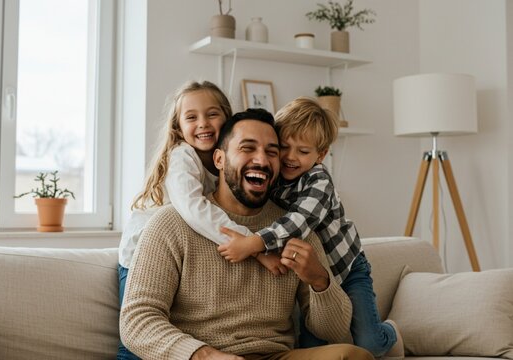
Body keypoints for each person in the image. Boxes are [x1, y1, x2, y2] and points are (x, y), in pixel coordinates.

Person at [120, 109, 374, 360]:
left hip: (275, 355)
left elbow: (334, 331)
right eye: (247, 148)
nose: (262, 160)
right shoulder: (170, 224)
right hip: (201, 356)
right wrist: (204, 355)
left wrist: (320, 280)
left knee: (353, 356)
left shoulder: (295, 228)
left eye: (272, 152)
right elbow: (137, 320)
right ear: (219, 159)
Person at [217, 98, 404, 359]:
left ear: (321, 154)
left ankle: (390, 333)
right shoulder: (274, 177)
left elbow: (298, 222)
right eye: (284, 147)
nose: (291, 157)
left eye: (303, 152)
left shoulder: (319, 181)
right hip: (312, 278)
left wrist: (254, 244)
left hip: (347, 268)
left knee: (370, 344)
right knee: (309, 347)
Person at [116, 81, 286, 359]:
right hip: (139, 254)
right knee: (135, 339)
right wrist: (254, 245)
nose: (203, 124)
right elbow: (194, 209)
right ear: (178, 127)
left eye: (212, 114)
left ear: (227, 119)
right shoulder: (183, 156)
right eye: (191, 117)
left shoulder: (221, 163)